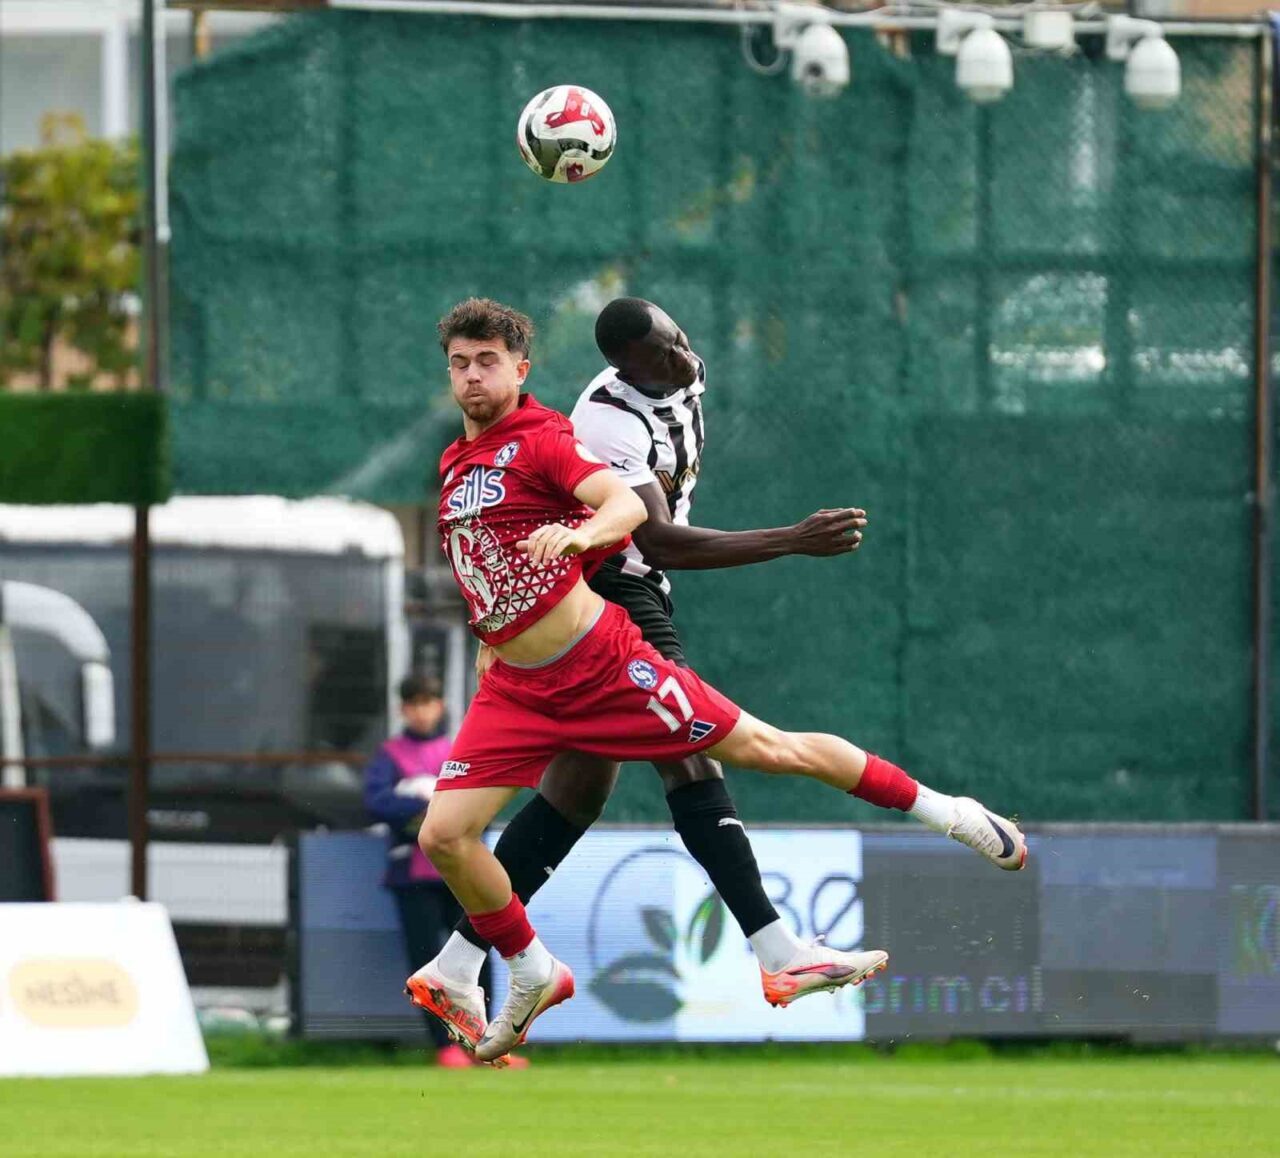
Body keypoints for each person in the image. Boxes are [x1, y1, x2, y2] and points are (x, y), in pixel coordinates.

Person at [413, 297, 1025, 1064]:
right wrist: (495, 647)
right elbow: (628, 534)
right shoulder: (517, 445)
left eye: (487, 362)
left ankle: (941, 817)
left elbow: (613, 514)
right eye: (460, 365)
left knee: (743, 753)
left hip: (596, 643)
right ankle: (514, 965)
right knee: (459, 829)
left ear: (521, 369)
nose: (471, 377)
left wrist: (576, 532)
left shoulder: (553, 432)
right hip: (555, 647)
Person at [362, 673, 494, 1068]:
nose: (422, 711)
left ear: (441, 706)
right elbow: (376, 802)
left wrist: (438, 803)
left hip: (460, 875)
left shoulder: (458, 749)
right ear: (404, 708)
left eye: (429, 702)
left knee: (473, 958)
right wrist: (421, 801)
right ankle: (445, 1046)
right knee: (425, 964)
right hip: (412, 876)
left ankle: (482, 1044)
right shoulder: (390, 755)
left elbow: (481, 798)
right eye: (414, 703)